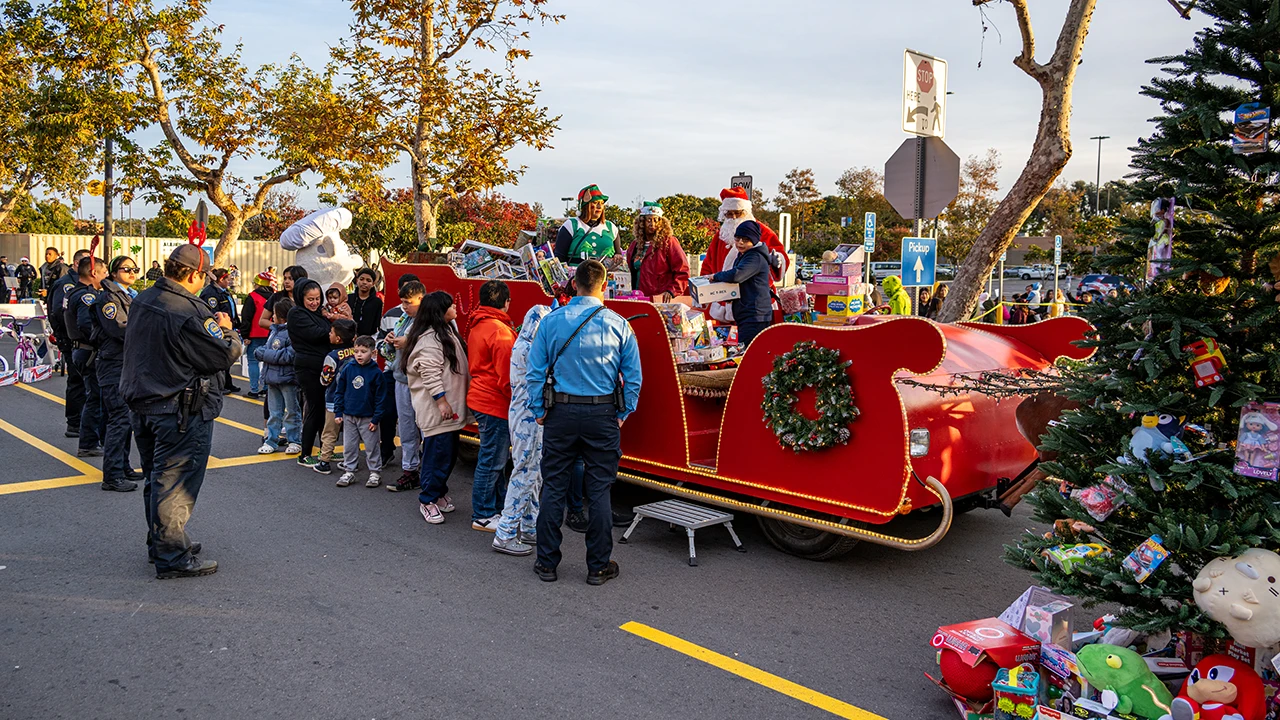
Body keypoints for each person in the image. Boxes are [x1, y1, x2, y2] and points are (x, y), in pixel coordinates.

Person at [120, 243, 243, 579]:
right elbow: (221, 354)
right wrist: (228, 328)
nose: (204, 281)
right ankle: (172, 556)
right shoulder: (188, 310)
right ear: (192, 274)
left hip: (145, 402)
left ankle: (161, 542)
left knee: (156, 478)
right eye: (203, 275)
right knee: (174, 484)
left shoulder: (144, 298)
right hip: (178, 408)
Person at [526, 260, 642, 585]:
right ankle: (598, 566)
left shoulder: (551, 321)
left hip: (560, 414)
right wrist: (623, 413)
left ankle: (547, 563)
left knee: (553, 486)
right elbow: (633, 378)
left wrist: (538, 408)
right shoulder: (619, 324)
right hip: (602, 414)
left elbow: (534, 371)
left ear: (574, 284)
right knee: (600, 490)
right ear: (604, 286)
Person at [492, 302, 553, 557]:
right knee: (526, 472)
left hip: (522, 415)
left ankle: (529, 526)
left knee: (533, 472)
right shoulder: (532, 350)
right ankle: (505, 533)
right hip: (531, 418)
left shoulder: (521, 343)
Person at [404, 291, 471, 524]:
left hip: (449, 411)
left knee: (447, 454)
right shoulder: (430, 340)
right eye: (451, 306)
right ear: (440, 312)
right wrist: (441, 401)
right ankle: (428, 499)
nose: (455, 309)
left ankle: (439, 492)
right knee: (437, 455)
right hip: (439, 411)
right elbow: (430, 373)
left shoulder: (445, 332)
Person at [467, 280, 516, 532]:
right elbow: (508, 377)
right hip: (495, 401)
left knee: (493, 457)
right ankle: (484, 513)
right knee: (493, 460)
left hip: (481, 397)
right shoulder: (500, 331)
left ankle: (494, 509)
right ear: (506, 303)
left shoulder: (479, 324)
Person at [92, 255, 144, 492]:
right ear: (113, 273)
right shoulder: (108, 298)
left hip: (127, 363)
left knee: (127, 420)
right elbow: (119, 328)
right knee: (119, 420)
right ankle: (111, 475)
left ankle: (122, 466)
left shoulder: (128, 296)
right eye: (126, 269)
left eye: (135, 269)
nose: (132, 272)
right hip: (114, 363)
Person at [702, 187, 789, 323]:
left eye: (738, 213)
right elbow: (708, 264)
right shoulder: (721, 235)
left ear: (746, 211)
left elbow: (779, 255)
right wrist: (703, 287)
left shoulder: (762, 231)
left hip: (754, 304)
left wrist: (777, 260)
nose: (734, 217)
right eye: (729, 214)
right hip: (724, 301)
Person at [379, 279, 425, 492]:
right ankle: (410, 470)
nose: (404, 307)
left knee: (426, 428)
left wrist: (410, 342)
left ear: (421, 299)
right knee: (406, 427)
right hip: (401, 378)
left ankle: (428, 471)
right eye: (403, 302)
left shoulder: (431, 320)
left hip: (423, 382)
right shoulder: (403, 319)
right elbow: (387, 351)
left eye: (408, 302)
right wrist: (389, 341)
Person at [65, 255, 108, 457]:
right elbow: (86, 324)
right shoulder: (86, 296)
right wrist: (105, 337)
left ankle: (95, 439)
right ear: (94, 273)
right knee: (96, 398)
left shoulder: (76, 292)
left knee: (94, 396)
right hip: (89, 351)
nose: (106, 276)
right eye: (104, 272)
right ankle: (89, 443)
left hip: (81, 350)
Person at [288, 278, 334, 469]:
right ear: (301, 298)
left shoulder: (319, 314)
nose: (314, 303)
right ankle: (305, 453)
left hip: (322, 365)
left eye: (317, 298)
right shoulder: (297, 314)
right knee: (314, 409)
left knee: (323, 409)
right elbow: (317, 333)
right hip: (308, 367)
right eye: (310, 299)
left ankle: (325, 450)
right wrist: (334, 329)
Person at [375, 273, 418, 469]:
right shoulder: (394, 315)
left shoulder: (425, 317)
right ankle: (387, 451)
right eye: (404, 294)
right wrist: (389, 346)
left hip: (415, 375)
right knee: (388, 412)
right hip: (393, 372)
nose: (407, 302)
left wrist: (407, 343)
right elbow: (381, 344)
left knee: (416, 420)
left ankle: (416, 461)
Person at [333, 335, 387, 488]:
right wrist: (338, 412)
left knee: (372, 446)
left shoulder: (376, 373)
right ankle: (349, 470)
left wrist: (376, 418)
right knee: (349, 445)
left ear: (373, 353)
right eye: (356, 351)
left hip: (368, 417)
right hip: (349, 415)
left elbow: (380, 398)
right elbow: (340, 391)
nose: (359, 355)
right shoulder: (348, 369)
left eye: (363, 351)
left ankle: (375, 472)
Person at [711, 221, 775, 349]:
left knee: (747, 353)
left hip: (755, 316)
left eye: (745, 240)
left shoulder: (755, 257)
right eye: (737, 238)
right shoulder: (744, 255)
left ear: (754, 241)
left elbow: (737, 275)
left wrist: (716, 276)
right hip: (747, 313)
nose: (740, 242)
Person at [49, 248, 90, 436]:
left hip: (82, 341)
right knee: (77, 380)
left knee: (84, 381)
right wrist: (66, 337)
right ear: (76, 264)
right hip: (71, 340)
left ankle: (83, 420)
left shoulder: (84, 284)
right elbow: (59, 313)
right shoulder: (66, 284)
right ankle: (74, 423)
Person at [254, 298, 302, 455]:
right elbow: (272, 351)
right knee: (274, 413)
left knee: (292, 411)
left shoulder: (293, 332)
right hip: (272, 378)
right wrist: (265, 353)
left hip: (288, 378)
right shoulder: (274, 331)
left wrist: (264, 354)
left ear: (281, 316)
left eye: (274, 313)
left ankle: (294, 440)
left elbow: (289, 355)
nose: (271, 316)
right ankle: (271, 441)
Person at [315, 318, 358, 474]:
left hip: (334, 400)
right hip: (353, 400)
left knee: (330, 432)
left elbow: (325, 380)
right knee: (351, 433)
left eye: (331, 332)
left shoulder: (332, 356)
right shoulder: (357, 352)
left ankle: (325, 461)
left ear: (338, 338)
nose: (329, 334)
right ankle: (350, 461)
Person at [625, 202, 689, 301]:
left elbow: (682, 271)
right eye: (649, 220)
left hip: (660, 299)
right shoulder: (635, 245)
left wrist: (671, 291)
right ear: (642, 222)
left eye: (656, 220)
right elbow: (628, 271)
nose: (652, 224)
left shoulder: (668, 242)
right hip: (637, 298)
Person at [554, 184, 623, 267]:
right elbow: (559, 258)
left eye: (601, 203)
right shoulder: (571, 225)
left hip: (604, 276)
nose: (599, 206)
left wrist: (617, 256)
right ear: (585, 206)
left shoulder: (611, 227)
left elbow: (618, 254)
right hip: (577, 276)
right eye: (595, 202)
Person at [201, 269, 241, 393]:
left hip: (229, 326)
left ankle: (228, 383)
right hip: (218, 329)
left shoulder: (224, 292)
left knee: (228, 358)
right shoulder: (211, 293)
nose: (230, 282)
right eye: (227, 279)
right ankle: (221, 385)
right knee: (221, 356)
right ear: (220, 280)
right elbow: (213, 313)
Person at [239, 271, 275, 399]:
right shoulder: (274, 297)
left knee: (253, 361)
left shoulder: (252, 297)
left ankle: (254, 390)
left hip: (254, 334)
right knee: (267, 362)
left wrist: (245, 335)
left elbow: (246, 317)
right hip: (271, 333)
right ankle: (266, 388)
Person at [347, 268, 383, 337]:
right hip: (348, 337)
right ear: (357, 280)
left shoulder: (377, 302)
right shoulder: (349, 298)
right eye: (361, 279)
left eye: (368, 280)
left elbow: (377, 324)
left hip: (367, 340)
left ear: (373, 284)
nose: (364, 282)